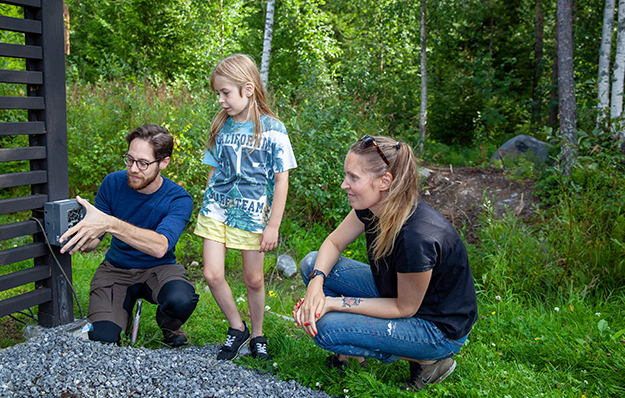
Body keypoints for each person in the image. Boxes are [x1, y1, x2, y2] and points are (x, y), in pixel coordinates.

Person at [293, 135, 477, 392]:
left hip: (436, 328)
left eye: (353, 178)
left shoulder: (417, 237)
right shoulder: (373, 206)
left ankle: (431, 360)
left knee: (326, 329)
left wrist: (334, 303)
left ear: (385, 181)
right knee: (312, 263)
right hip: (397, 295)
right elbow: (334, 243)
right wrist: (316, 284)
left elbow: (405, 308)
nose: (344, 185)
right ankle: (355, 353)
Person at [195, 54, 297, 361]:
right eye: (218, 94)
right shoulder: (220, 126)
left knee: (253, 280)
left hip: (253, 215)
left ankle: (257, 334)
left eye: (225, 93)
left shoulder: (273, 129)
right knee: (212, 274)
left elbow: (282, 181)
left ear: (248, 89)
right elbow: (213, 169)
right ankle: (236, 327)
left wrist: (273, 225)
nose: (221, 100)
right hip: (216, 209)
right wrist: (209, 198)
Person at [59, 124, 199, 346]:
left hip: (159, 269)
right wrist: (81, 239)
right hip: (116, 269)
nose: (133, 169)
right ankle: (117, 316)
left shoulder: (178, 199)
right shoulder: (112, 183)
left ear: (164, 162)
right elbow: (96, 240)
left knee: (181, 299)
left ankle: (168, 323)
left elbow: (160, 246)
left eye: (143, 163)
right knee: (102, 339)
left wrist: (111, 223)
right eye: (130, 159)